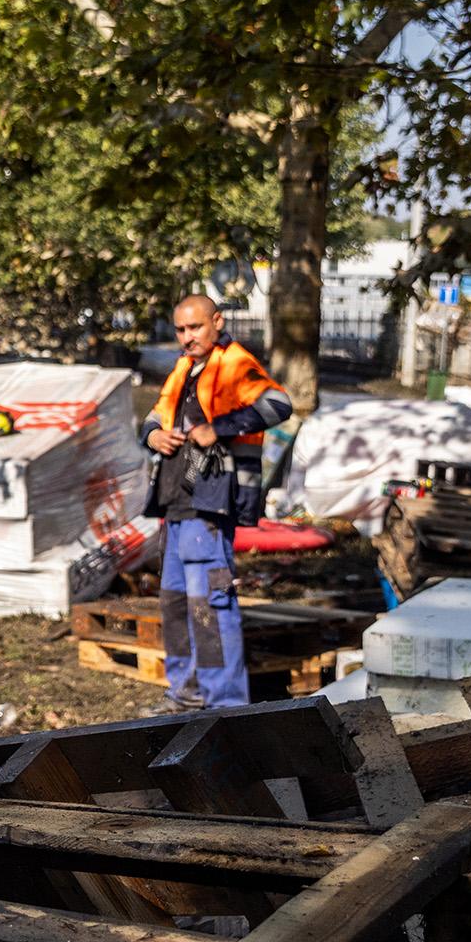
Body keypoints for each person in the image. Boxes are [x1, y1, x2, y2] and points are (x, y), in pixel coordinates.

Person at [141, 294, 293, 710]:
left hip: (209, 502)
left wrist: (218, 428)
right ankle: (186, 695)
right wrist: (153, 436)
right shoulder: (184, 367)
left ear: (216, 322)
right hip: (174, 503)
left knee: (209, 603)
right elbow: (154, 417)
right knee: (176, 605)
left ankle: (224, 706)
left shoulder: (235, 362)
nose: (187, 337)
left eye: (195, 327)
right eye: (180, 329)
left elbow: (279, 403)